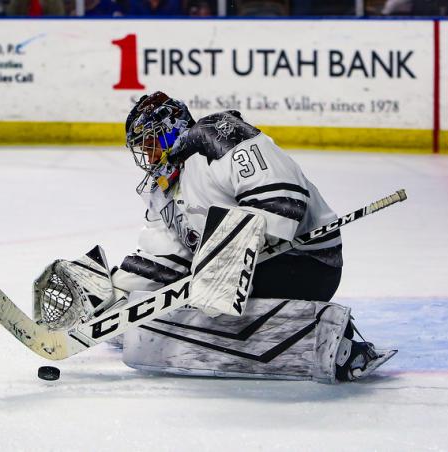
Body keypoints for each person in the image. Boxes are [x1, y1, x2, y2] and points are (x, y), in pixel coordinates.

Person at [104, 91, 395, 382]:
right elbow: (165, 257)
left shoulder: (217, 136)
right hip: (244, 273)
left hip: (304, 261)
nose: (149, 156)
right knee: (194, 304)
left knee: (208, 303)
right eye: (142, 148)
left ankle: (334, 338)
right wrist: (116, 296)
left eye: (152, 143)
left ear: (172, 129)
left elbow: (282, 195)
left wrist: (229, 257)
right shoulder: (165, 189)